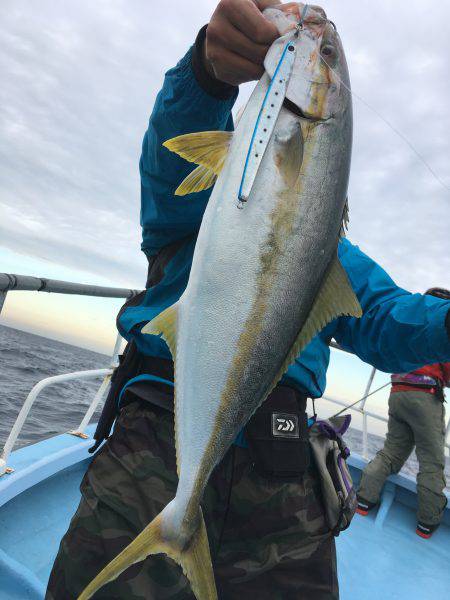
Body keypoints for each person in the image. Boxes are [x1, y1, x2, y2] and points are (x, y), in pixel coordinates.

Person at [46, 2, 450, 598]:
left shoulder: (333, 258)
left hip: (284, 467)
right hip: (155, 443)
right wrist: (206, 73)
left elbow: (389, 322)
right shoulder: (209, 192)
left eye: (328, 58)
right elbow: (171, 156)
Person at [356, 287, 450, 539]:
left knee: (391, 452)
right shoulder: (442, 326)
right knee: (431, 461)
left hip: (397, 393)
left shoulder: (414, 321)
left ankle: (363, 501)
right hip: (425, 398)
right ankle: (426, 524)